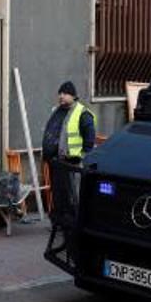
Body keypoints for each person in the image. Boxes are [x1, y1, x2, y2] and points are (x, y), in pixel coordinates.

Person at [41, 81, 96, 227]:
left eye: (64, 94)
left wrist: (83, 157)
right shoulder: (58, 111)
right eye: (60, 93)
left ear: (73, 95)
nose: (61, 96)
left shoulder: (82, 113)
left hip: (73, 163)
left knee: (72, 195)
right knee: (59, 194)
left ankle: (73, 223)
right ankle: (60, 221)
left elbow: (90, 138)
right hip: (57, 161)